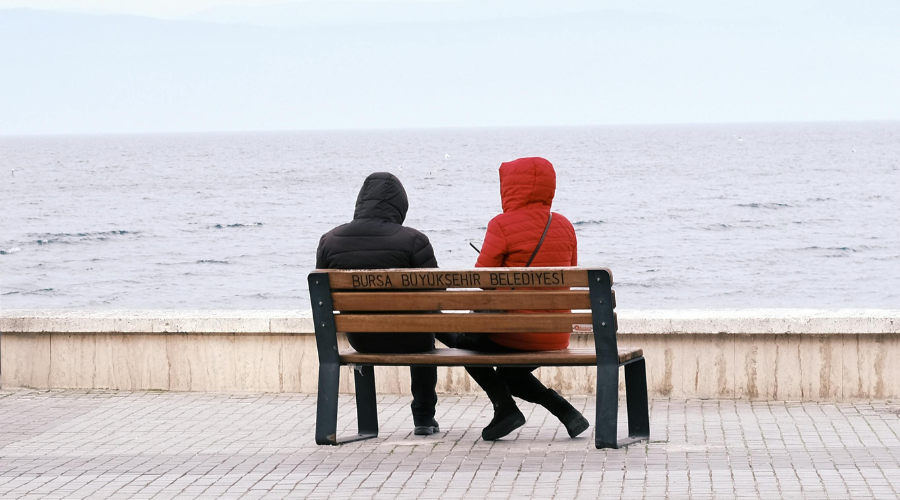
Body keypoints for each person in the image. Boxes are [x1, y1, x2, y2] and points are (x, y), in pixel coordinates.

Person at [461, 157, 590, 441]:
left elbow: (481, 281)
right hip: (555, 334)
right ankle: (566, 412)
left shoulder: (501, 224)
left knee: (465, 346)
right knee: (510, 374)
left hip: (515, 333)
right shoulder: (565, 226)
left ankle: (505, 408)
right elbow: (566, 277)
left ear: (509, 187)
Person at [316, 172, 446, 435]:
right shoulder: (414, 241)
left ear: (361, 200)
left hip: (361, 339)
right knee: (425, 333)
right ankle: (423, 417)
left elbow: (323, 295)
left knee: (422, 328)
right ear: (400, 205)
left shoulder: (329, 242)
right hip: (412, 341)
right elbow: (438, 294)